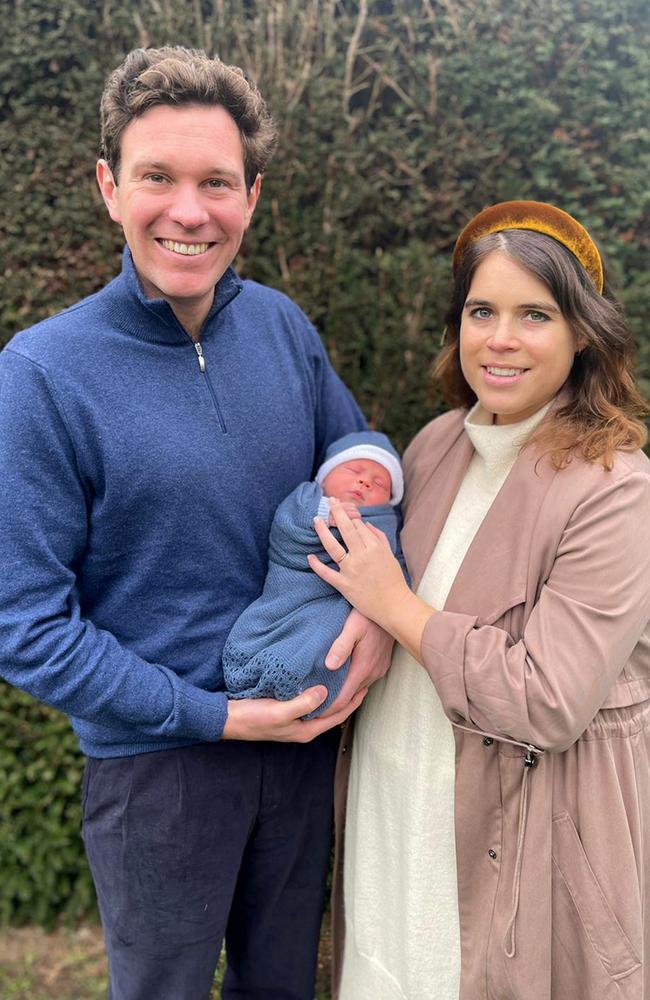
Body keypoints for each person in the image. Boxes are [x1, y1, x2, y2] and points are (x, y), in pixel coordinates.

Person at [0, 46, 394, 1000]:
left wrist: (380, 615)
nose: (189, 210)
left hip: (305, 751)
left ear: (250, 197)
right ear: (108, 187)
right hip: (158, 776)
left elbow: (362, 466)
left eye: (216, 181)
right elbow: (23, 627)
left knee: (288, 987)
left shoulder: (282, 327)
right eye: (157, 178)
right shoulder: (43, 376)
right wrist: (216, 716)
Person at [310, 201, 650, 1000]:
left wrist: (393, 602)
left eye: (535, 314)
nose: (500, 338)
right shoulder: (434, 445)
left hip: (509, 851)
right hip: (391, 815)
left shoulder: (616, 489)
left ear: (583, 334)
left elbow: (547, 698)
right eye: (481, 311)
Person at [223, 430, 404, 715]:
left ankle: (313, 689)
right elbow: (285, 529)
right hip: (297, 589)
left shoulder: (387, 523)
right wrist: (323, 514)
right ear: (325, 476)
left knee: (329, 638)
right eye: (354, 470)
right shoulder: (308, 497)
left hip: (340, 606)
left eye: (379, 482)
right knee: (287, 629)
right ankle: (263, 673)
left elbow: (397, 568)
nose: (364, 481)